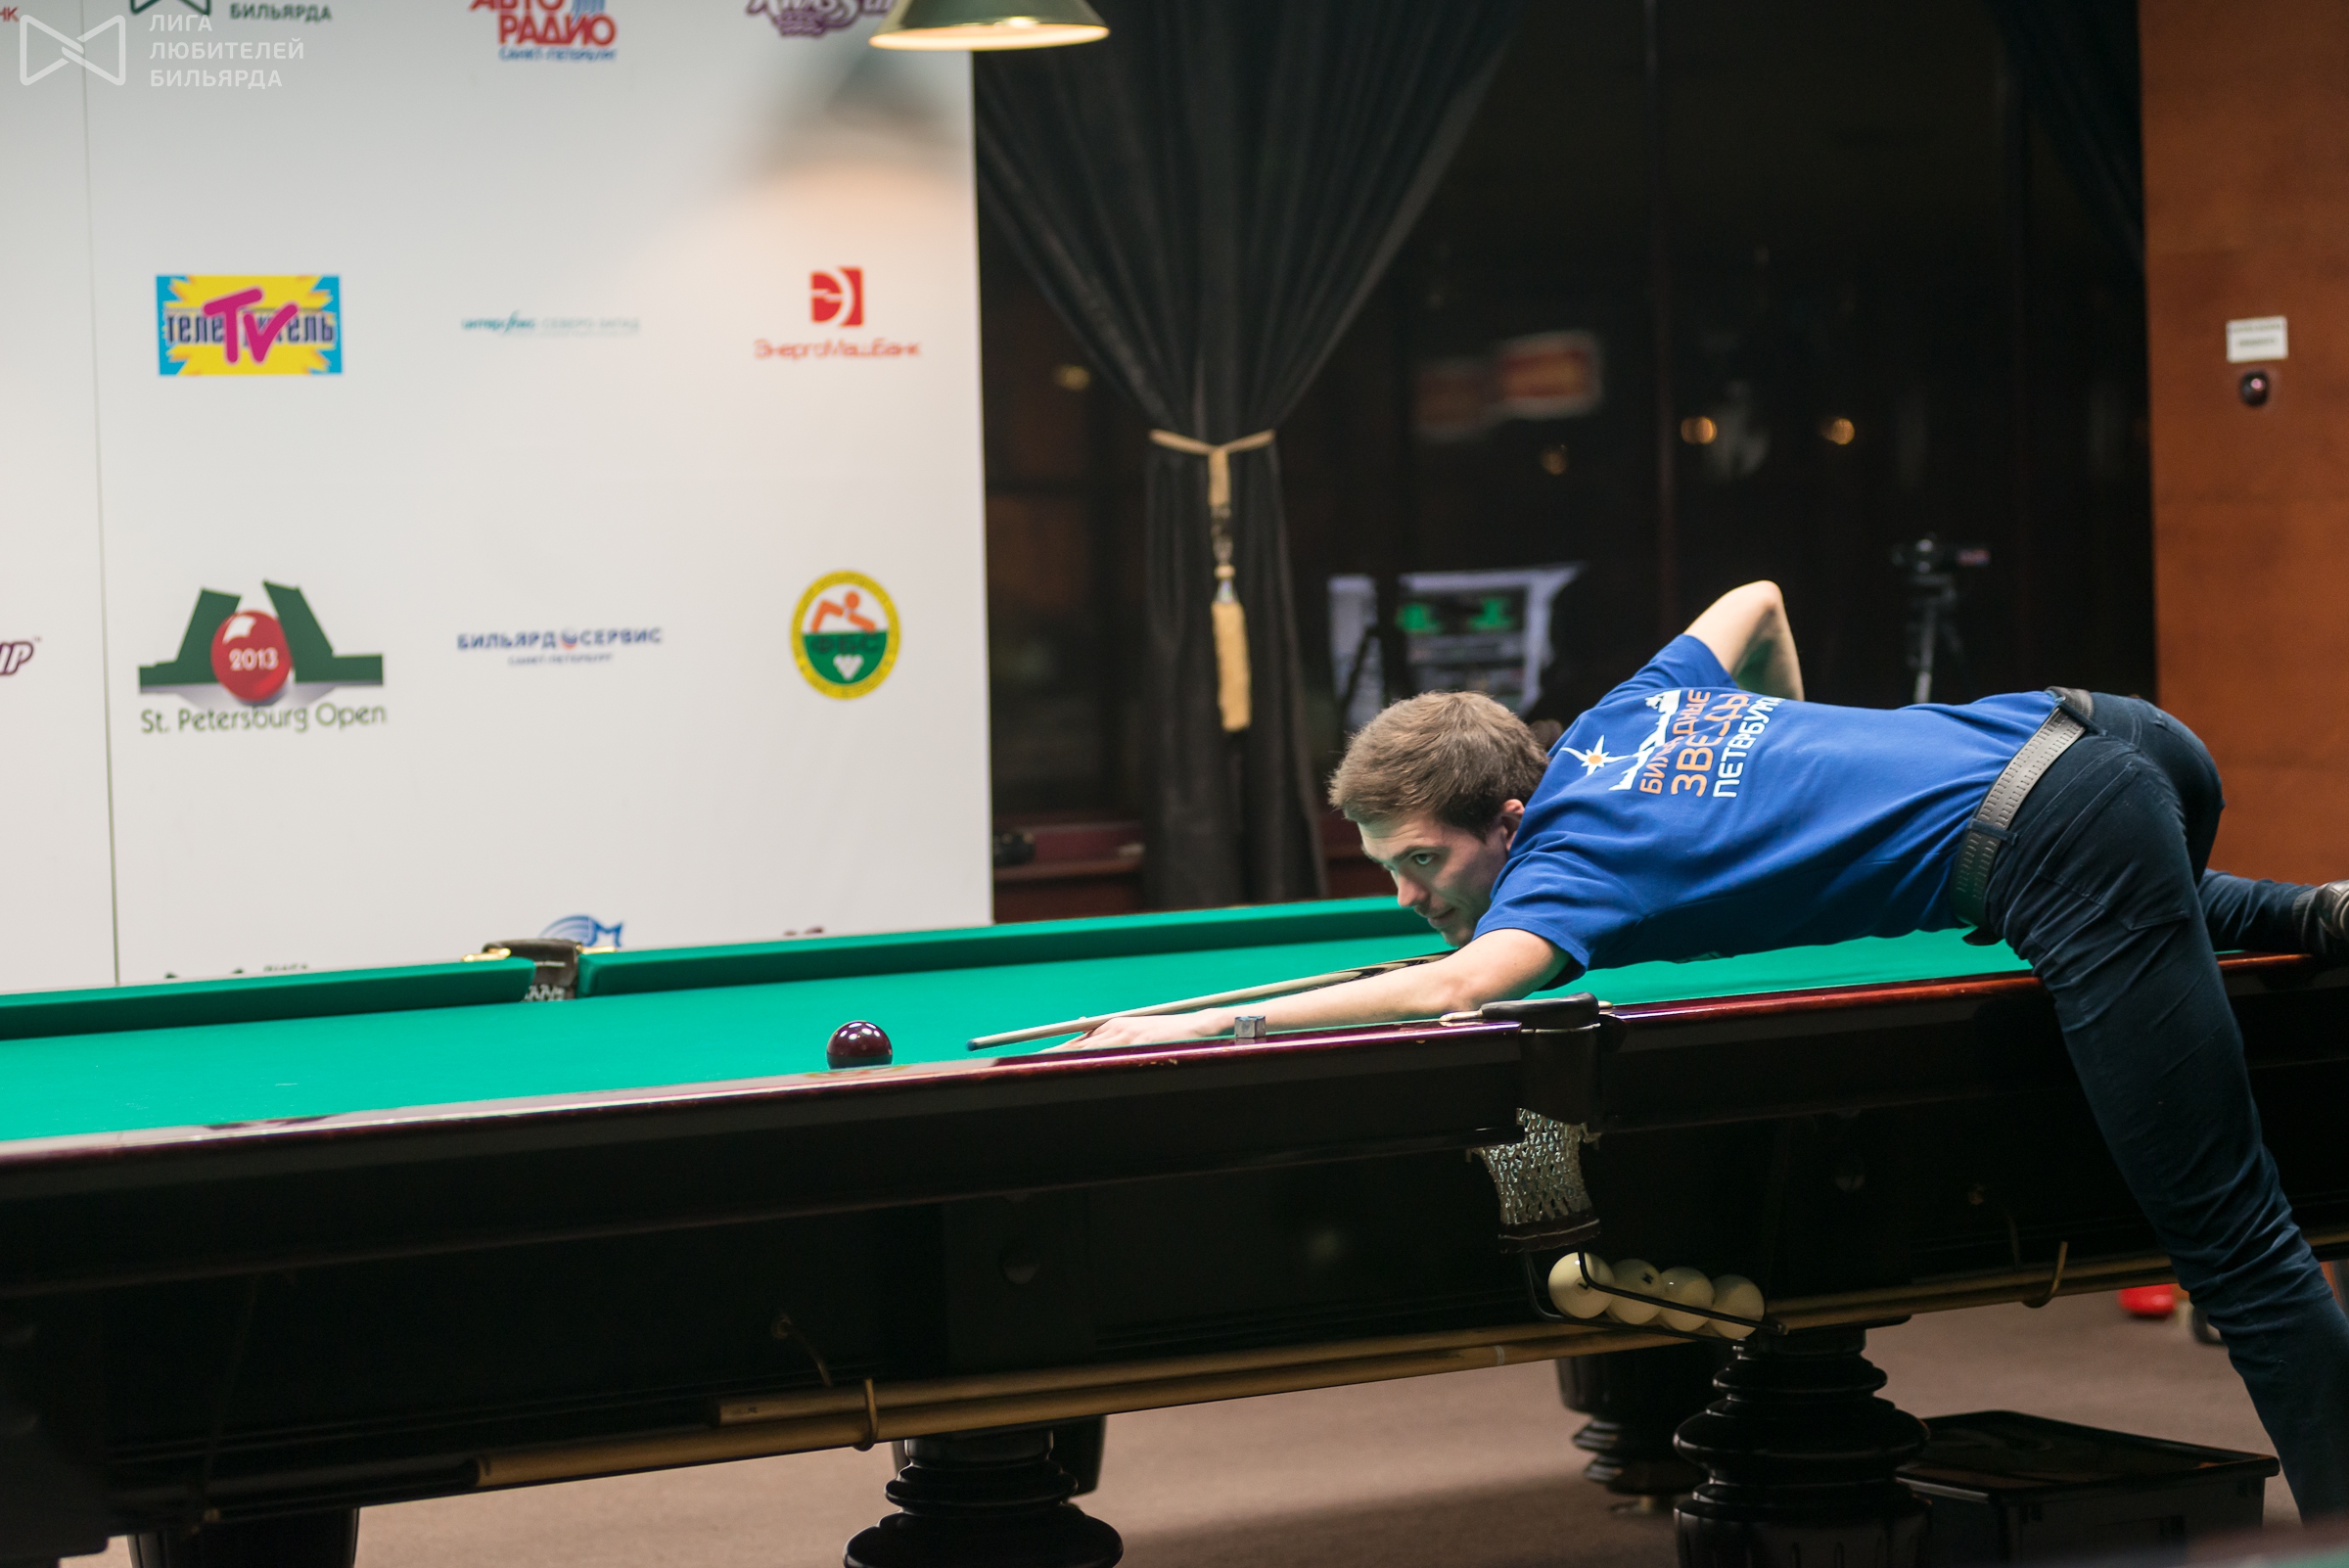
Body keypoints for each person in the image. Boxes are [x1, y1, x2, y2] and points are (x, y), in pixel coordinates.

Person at [1081, 579, 2349, 1517]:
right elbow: (1756, 598)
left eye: (1422, 860)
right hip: (2118, 736)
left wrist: (1200, 1025)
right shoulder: (1623, 711)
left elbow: (1459, 989)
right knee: (2135, 915)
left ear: (1508, 817)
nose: (1409, 896)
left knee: (2231, 1243)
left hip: (2065, 833)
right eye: (1386, 869)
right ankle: (2313, 916)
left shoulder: (1566, 867)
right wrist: (1793, 761)